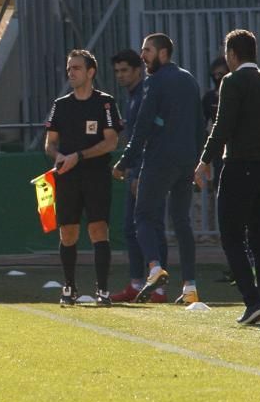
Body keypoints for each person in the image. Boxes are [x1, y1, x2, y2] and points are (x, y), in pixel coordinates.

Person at [113, 34, 203, 305]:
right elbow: (200, 124)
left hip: (159, 159)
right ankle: (190, 288)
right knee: (181, 222)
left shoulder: (153, 81)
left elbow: (142, 126)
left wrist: (125, 161)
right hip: (186, 160)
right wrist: (199, 162)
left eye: (147, 50)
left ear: (163, 53)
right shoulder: (189, 79)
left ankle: (154, 269)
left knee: (142, 217)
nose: (143, 55)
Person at [194, 29, 260, 325]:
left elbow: (222, 126)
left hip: (240, 166)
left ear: (232, 54)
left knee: (230, 236)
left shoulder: (232, 81)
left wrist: (204, 161)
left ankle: (252, 302)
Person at [39, 49, 121, 307]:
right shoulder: (60, 105)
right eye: (69, 68)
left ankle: (103, 289)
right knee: (68, 232)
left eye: (76, 68)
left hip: (96, 175)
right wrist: (60, 157)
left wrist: (80, 156)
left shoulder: (105, 103)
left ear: (90, 72)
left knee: (98, 229)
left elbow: (111, 141)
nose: (71, 72)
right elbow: (49, 144)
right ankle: (70, 286)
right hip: (67, 177)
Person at [107, 48, 164, 303]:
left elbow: (147, 137)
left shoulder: (144, 96)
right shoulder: (132, 97)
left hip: (147, 170)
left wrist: (139, 172)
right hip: (138, 169)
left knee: (150, 225)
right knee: (131, 229)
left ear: (138, 70)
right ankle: (137, 283)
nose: (120, 75)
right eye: (117, 71)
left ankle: (159, 288)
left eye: (125, 70)